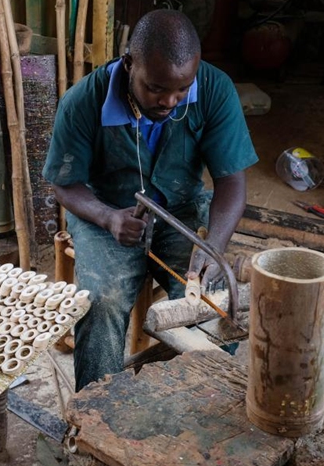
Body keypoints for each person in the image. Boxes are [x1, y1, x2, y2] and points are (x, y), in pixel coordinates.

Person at [43, 9, 258, 392]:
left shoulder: (214, 89)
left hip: (181, 211)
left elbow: (231, 183)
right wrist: (108, 218)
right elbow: (65, 185)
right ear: (129, 65)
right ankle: (97, 413)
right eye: (156, 88)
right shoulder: (83, 102)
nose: (170, 100)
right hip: (107, 213)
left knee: (213, 302)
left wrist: (213, 247)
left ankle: (199, 404)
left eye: (181, 89)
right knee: (101, 302)